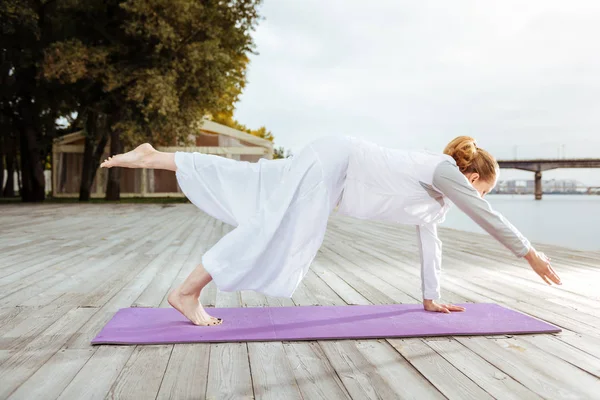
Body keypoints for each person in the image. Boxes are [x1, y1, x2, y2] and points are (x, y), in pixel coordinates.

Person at [100, 135, 562, 326]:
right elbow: (486, 217)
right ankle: (186, 293)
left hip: (330, 162)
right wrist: (529, 253)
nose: (480, 198)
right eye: (484, 190)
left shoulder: (436, 201)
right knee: (270, 229)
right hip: (335, 165)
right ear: (473, 178)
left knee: (257, 180)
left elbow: (430, 238)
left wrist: (429, 295)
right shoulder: (446, 174)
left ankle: (157, 156)